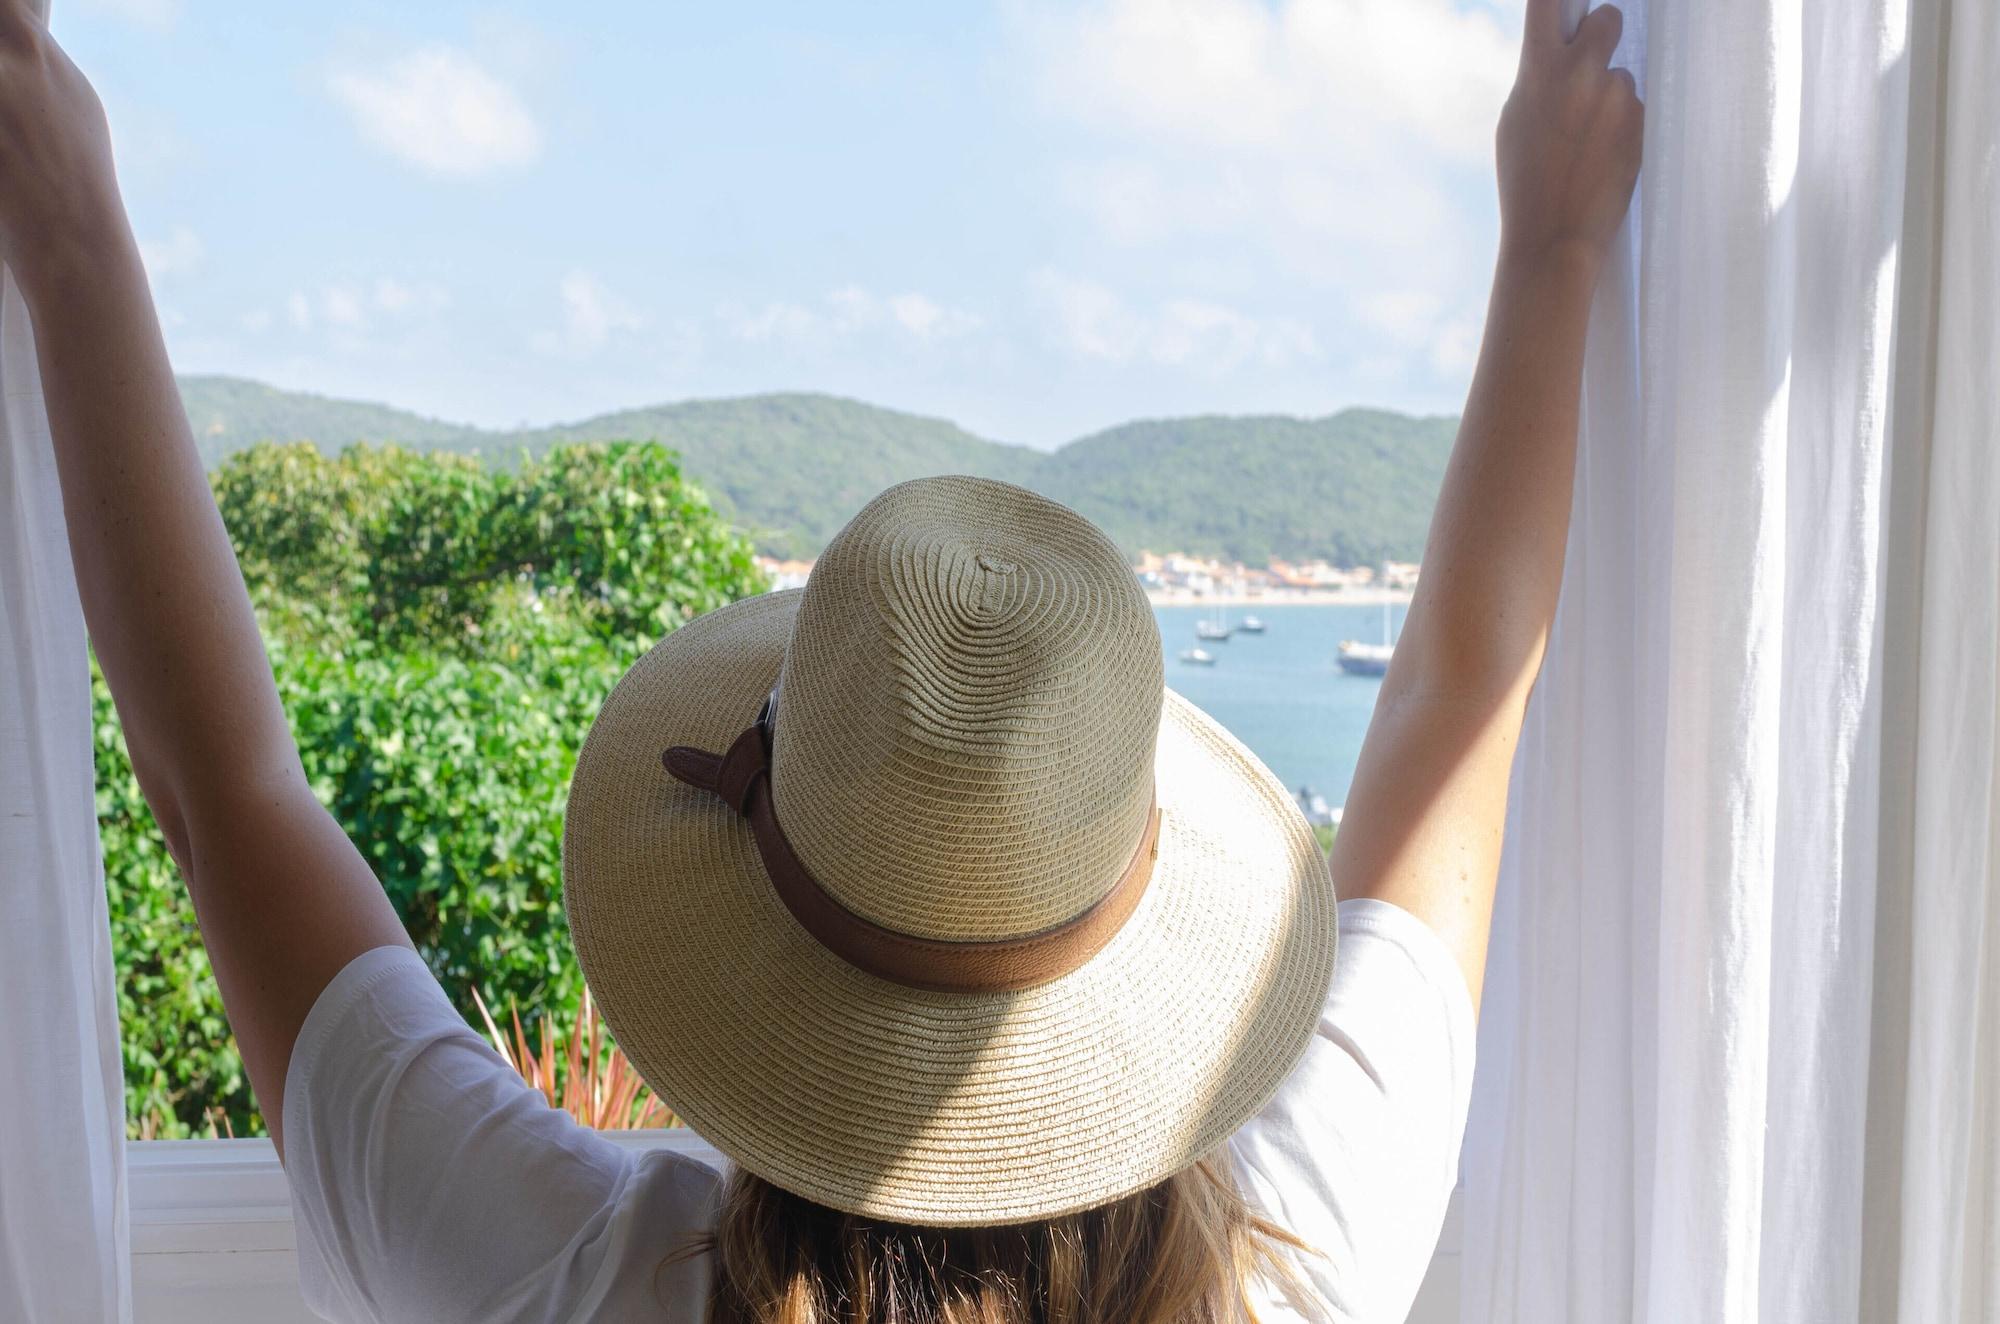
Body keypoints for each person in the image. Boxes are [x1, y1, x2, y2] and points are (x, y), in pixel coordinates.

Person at [3, 0, 1639, 1315]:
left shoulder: (565, 1269)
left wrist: (69, 231)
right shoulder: (1298, 1260)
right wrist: (1556, 253)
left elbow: (229, 798)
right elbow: (1461, 698)